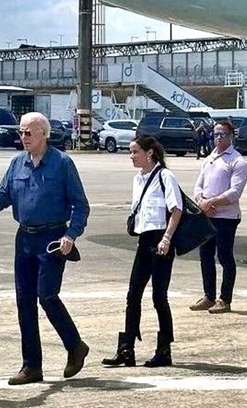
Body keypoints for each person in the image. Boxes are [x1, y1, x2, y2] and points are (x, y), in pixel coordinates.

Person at [0, 112, 90, 385]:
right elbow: (3, 194)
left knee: (47, 296)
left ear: (44, 133)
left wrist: (71, 235)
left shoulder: (62, 163)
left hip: (53, 239)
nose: (23, 137)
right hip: (24, 239)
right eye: (21, 132)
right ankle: (32, 366)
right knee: (24, 301)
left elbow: (80, 205)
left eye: (29, 132)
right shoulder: (17, 163)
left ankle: (75, 345)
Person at [102, 135, 183, 368]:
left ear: (150, 153)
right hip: (144, 240)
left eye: (135, 151)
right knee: (133, 293)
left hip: (161, 239)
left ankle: (164, 350)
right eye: (130, 151)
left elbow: (176, 210)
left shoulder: (165, 176)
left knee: (159, 297)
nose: (131, 156)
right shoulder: (138, 179)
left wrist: (167, 239)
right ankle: (126, 349)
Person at [189, 120, 247, 314]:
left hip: (226, 217)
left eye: (223, 134)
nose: (219, 138)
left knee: (224, 256)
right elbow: (199, 185)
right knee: (205, 255)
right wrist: (201, 201)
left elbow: (234, 193)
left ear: (231, 136)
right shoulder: (209, 158)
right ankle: (209, 296)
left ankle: (225, 298)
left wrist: (212, 202)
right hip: (207, 214)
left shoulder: (237, 161)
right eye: (216, 134)